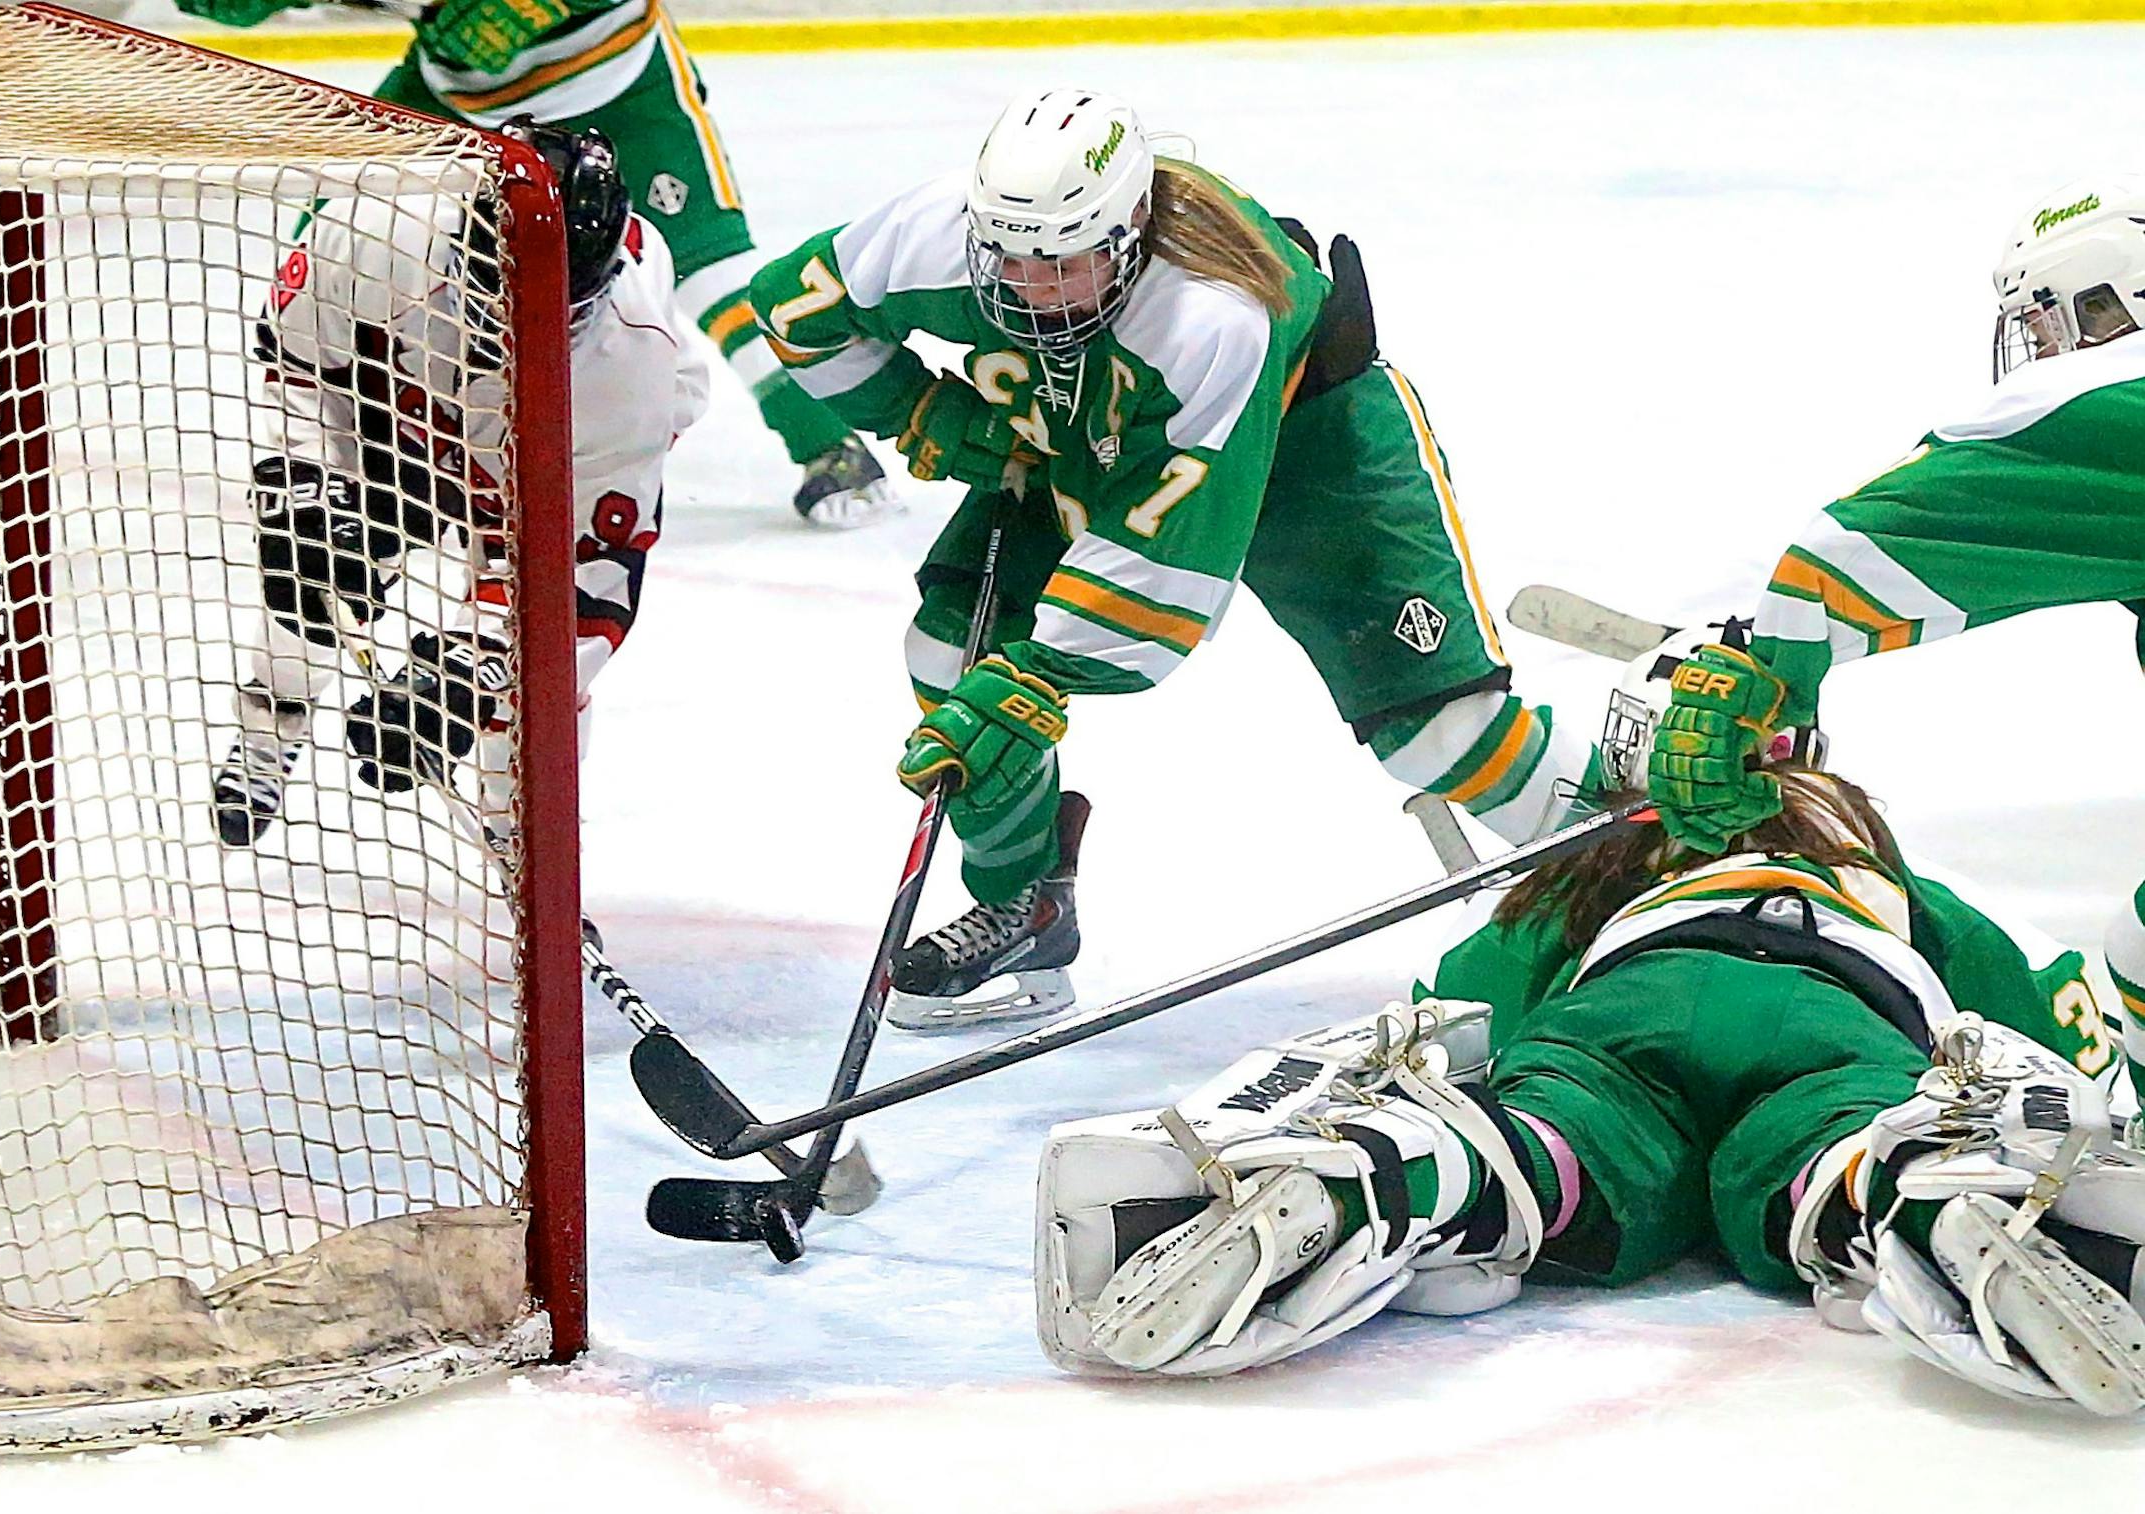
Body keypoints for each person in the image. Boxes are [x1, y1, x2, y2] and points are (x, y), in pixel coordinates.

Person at [1036, 642, 2145, 1414]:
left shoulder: (1586, 867)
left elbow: (1461, 1014)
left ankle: (1395, 1176)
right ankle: (1924, 1195)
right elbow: (2038, 1011)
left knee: (1541, 1139)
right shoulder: (1871, 856)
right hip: (1835, 997)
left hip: (1630, 996)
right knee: (1838, 1143)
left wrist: (1477, 1090)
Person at [748, 87, 1603, 1029]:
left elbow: (1170, 568)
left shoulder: (1209, 316)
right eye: (1011, 258)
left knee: (1442, 731)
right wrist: (922, 410)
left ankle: (1659, 869)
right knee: (953, 664)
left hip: (1306, 446)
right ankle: (1027, 905)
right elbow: (796, 304)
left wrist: (1040, 676)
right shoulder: (944, 231)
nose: (1029, 286)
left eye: (1063, 263)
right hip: (1091, 434)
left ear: (1126, 234)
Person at [1645, 177, 2145, 1089]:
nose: (2042, 355)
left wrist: (1747, 675)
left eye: (2045, 327)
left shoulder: (2111, 400)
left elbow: (1826, 566)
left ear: (2115, 298)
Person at [172, 0, 894, 527]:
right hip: (458, 90)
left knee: (708, 271)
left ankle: (829, 443)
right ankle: (329, 456)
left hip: (619, 80)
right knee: (339, 229)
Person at [212, 119, 710, 848]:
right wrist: (304, 480)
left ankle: (534, 859)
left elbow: (580, 587)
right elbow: (296, 364)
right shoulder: (378, 221)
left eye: (555, 310)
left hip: (549, 457)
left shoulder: (631, 378)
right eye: (496, 295)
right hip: (395, 408)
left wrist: (465, 679)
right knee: (314, 576)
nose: (519, 329)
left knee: (540, 696)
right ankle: (267, 734)